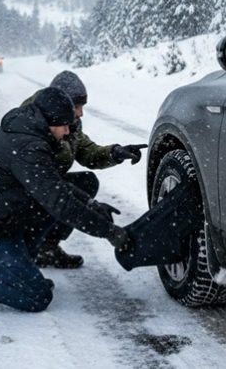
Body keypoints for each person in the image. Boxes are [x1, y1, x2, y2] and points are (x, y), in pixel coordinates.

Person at [0, 87, 130, 313]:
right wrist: (108, 232)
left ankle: (19, 273)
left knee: (44, 208)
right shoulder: (28, 147)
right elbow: (60, 202)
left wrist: (91, 205)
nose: (68, 131)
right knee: (36, 296)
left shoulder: (31, 131)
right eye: (65, 125)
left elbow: (56, 187)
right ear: (50, 121)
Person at [22, 70, 147, 269]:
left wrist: (115, 153)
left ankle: (47, 247)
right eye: (77, 107)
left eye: (82, 106)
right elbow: (47, 186)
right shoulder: (32, 127)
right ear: (59, 105)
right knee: (62, 197)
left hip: (49, 187)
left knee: (86, 181)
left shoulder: (69, 123)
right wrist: (96, 215)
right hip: (25, 193)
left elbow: (87, 151)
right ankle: (24, 248)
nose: (81, 113)